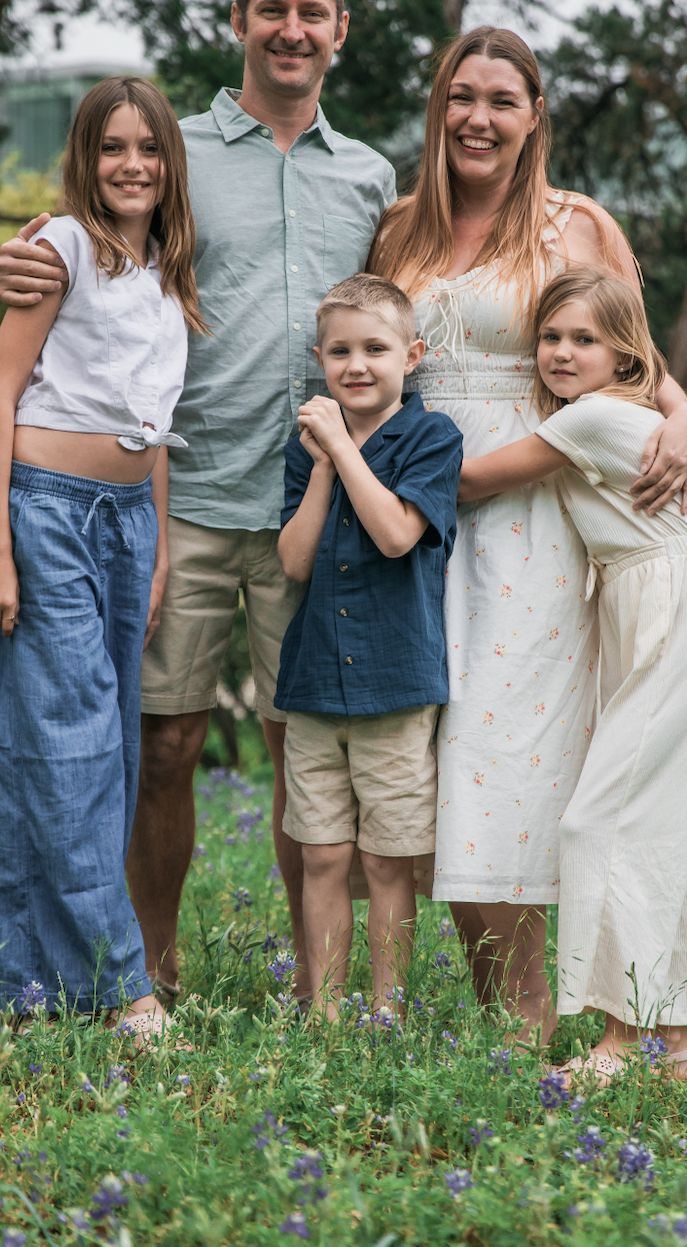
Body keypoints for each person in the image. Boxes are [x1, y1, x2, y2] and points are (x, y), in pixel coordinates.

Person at [0, 0, 397, 1005]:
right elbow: (92, 245)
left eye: (313, 11)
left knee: (298, 752)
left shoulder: (369, 177)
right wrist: (21, 256)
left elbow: (398, 324)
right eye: (273, 9)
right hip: (183, 500)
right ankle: (147, 973)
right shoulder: (178, 155)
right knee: (161, 746)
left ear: (340, 30)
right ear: (239, 19)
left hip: (312, 506)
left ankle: (317, 986)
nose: (292, 28)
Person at [369, 26, 687, 1046]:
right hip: (418, 524)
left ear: (533, 117)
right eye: (459, 96)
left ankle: (569, 1010)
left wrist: (683, 421)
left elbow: (634, 360)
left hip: (535, 524)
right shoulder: (397, 231)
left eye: (500, 100)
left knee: (509, 755)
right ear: (439, 109)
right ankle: (509, 1012)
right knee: (441, 761)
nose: (477, 117)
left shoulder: (575, 225)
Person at [0, 76, 206, 1041]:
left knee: (97, 747)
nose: (133, 165)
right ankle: (121, 985)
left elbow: (149, 427)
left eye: (149, 149)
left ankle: (29, 986)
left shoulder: (165, 271)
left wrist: (151, 556)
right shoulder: (60, 246)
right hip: (47, 513)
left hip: (129, 522)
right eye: (113, 148)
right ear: (84, 158)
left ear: (170, 165)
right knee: (61, 740)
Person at [459, 267, 687, 1080]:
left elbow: (475, 479)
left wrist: (358, 450)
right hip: (665, 605)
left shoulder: (592, 419)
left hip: (669, 614)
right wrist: (682, 405)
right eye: (550, 336)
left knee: (602, 823)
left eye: (585, 339)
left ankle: (624, 1038)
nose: (560, 352)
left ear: (626, 356)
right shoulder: (641, 410)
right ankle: (670, 1041)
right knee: (666, 828)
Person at [276, 277, 462, 1019]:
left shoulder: (431, 437)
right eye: (341, 352)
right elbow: (292, 561)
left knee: (388, 859)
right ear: (320, 359)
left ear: (411, 356)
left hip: (394, 682)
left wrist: (346, 453)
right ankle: (324, 1015)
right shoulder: (306, 451)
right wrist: (321, 463)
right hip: (316, 680)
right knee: (321, 853)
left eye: (376, 349)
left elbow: (394, 535)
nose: (357, 366)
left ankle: (387, 1012)